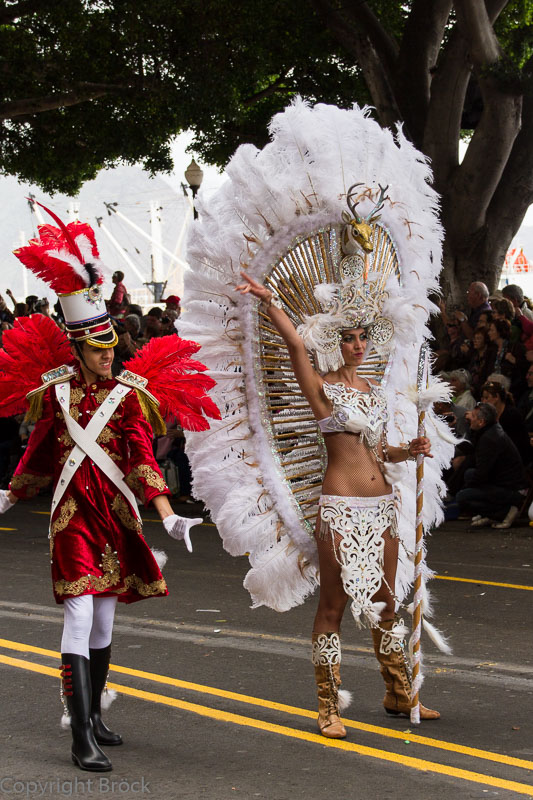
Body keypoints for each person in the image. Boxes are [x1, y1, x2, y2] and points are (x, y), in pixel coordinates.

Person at [0, 207, 219, 772]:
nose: (108, 353)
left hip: (116, 514)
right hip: (71, 512)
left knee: (103, 621)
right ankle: (79, 737)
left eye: (112, 346)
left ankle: (93, 713)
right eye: (97, 347)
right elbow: (39, 454)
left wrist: (168, 515)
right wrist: (8, 495)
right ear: (76, 347)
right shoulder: (54, 396)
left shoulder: (128, 397)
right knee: (78, 615)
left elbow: (144, 462)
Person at [236, 269, 439, 731]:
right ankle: (328, 705)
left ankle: (398, 692)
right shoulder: (323, 389)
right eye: (350, 338)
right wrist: (269, 300)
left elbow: (380, 450)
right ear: (336, 342)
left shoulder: (374, 392)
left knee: (386, 599)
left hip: (381, 506)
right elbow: (293, 346)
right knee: (334, 606)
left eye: (364, 337)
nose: (359, 345)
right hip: (342, 507)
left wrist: (410, 451)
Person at [457, 403, 528, 528]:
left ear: (481, 422)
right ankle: (493, 512)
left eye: (473, 416)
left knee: (462, 497)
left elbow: (481, 474)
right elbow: (470, 449)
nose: (469, 417)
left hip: (512, 489)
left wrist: (466, 488)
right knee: (469, 475)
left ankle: (503, 512)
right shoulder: (489, 429)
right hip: (501, 481)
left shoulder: (489, 439)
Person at [480, 381, 531, 464]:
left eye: (486, 398)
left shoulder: (512, 415)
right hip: (500, 455)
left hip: (515, 458)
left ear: (496, 397)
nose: (484, 402)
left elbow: (514, 444)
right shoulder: (490, 415)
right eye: (482, 398)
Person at [487, 318, 527, 398]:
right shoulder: (492, 350)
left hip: (509, 389)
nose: (489, 333)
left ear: (499, 332)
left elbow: (524, 369)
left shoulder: (516, 348)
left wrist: (514, 360)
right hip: (491, 386)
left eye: (492, 330)